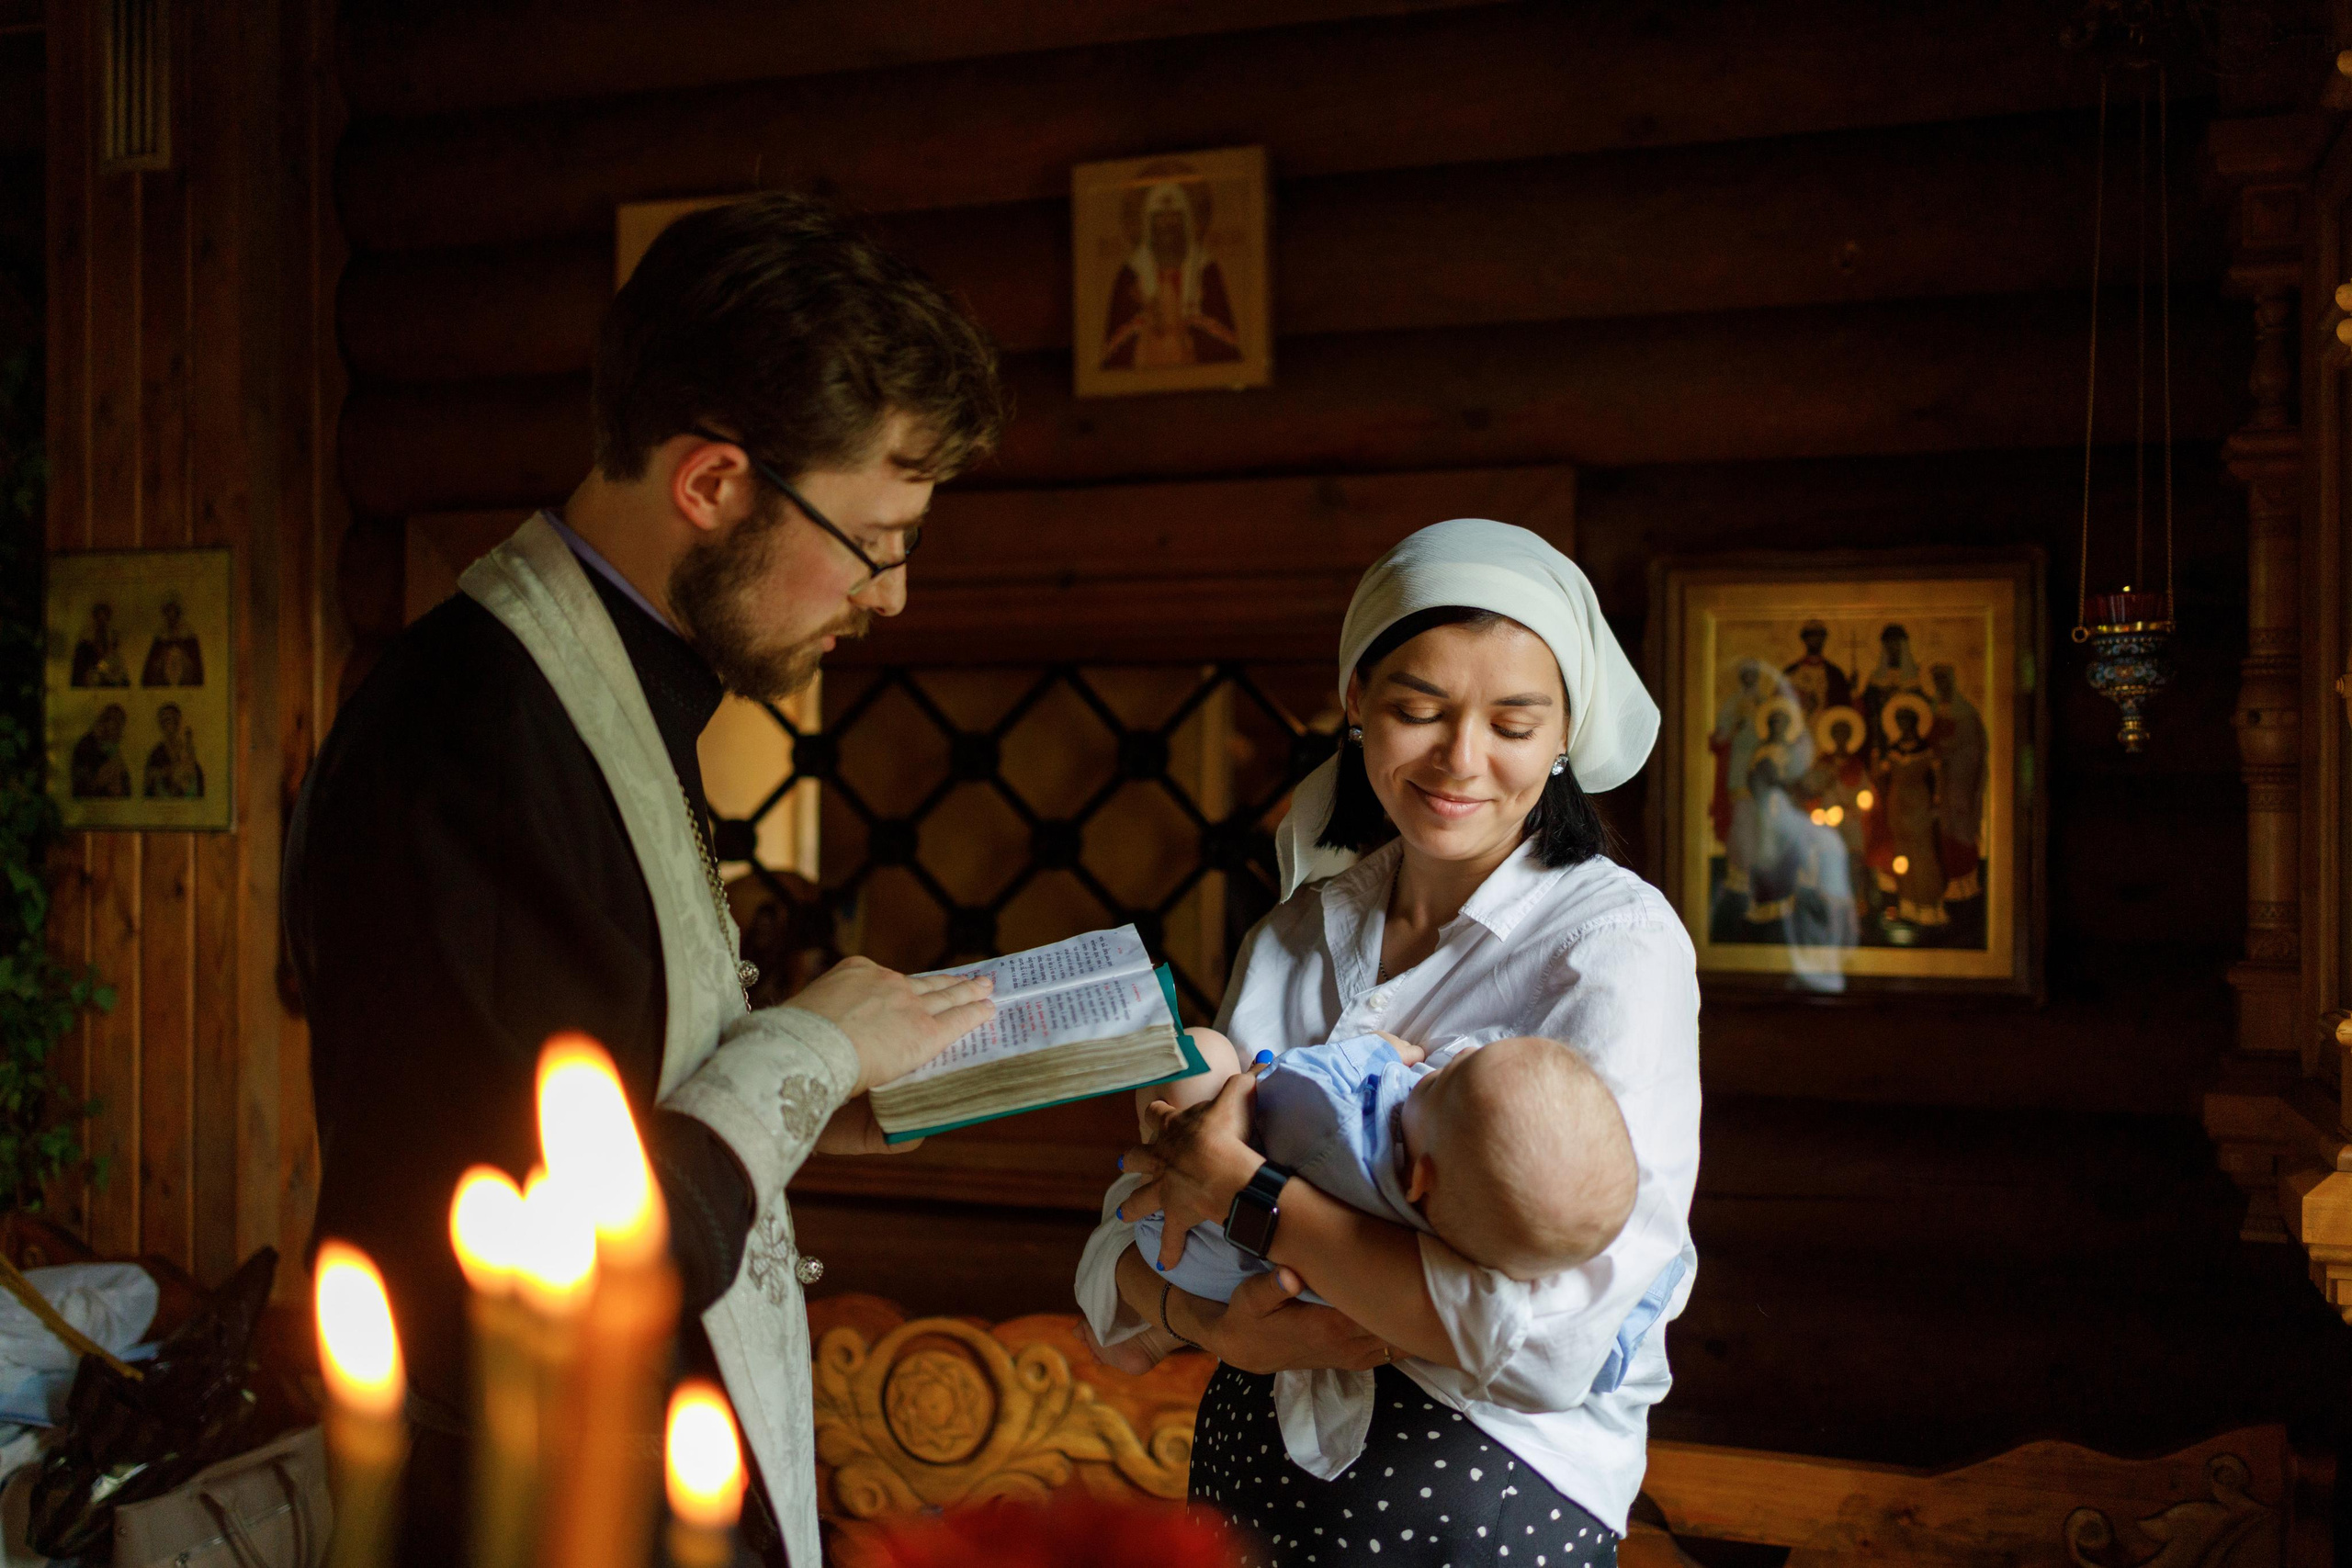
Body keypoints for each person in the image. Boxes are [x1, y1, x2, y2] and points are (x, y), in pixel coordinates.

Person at [284, 193, 1008, 1568]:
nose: (895, 593)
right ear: (714, 483)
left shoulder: (596, 683)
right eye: (875, 537)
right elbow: (538, 1248)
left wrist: (811, 1104)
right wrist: (805, 1044)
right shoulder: (477, 733)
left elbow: (612, 1075)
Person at [1076, 519, 1700, 1568]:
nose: (1461, 759)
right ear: (1356, 702)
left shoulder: (1609, 952)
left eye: (1513, 722)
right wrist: (1215, 1326)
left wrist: (1255, 1200)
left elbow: (1550, 1345)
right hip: (1247, 1465)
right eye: (1418, 709)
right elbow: (1117, 1252)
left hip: (1487, 1490)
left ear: (1563, 737)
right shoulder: (1295, 933)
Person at [1100, 160, 1244, 371]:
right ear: (1148, 224)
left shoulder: (1205, 269)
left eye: (1174, 217)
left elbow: (1226, 343)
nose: (1167, 225)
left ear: (1186, 222)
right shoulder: (1131, 274)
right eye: (1160, 218)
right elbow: (1114, 348)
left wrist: (1185, 330)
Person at [142, 703, 203, 798]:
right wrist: (163, 773)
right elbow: (149, 781)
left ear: (178, 722)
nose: (169, 723)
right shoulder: (157, 753)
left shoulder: (186, 749)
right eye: (165, 720)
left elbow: (195, 776)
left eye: (172, 719)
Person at [68, 705, 130, 797]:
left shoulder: (110, 748)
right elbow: (84, 785)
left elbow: (123, 784)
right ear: (104, 722)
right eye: (116, 724)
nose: (119, 731)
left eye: (120, 725)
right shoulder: (86, 747)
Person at [141, 598, 204, 685]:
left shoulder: (188, 634)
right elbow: (152, 663)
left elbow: (194, 661)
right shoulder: (161, 634)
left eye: (174, 613)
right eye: (168, 613)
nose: (171, 617)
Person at [70, 604, 129, 688]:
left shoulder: (112, 634)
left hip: (108, 664)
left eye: (104, 616)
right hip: (95, 665)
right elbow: (94, 657)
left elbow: (112, 652)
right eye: (99, 616)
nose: (102, 619)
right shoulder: (88, 634)